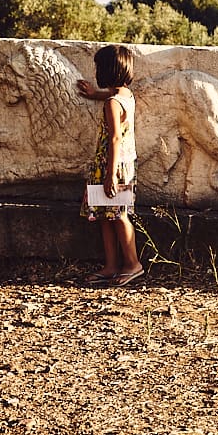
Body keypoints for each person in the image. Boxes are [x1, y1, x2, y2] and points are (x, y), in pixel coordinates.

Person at [78, 44, 144, 286]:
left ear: (106, 71)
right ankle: (111, 265)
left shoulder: (112, 104)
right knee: (105, 216)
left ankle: (132, 264)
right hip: (120, 165)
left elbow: (115, 137)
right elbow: (114, 97)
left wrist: (110, 175)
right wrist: (96, 94)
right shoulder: (125, 97)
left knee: (118, 216)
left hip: (112, 167)